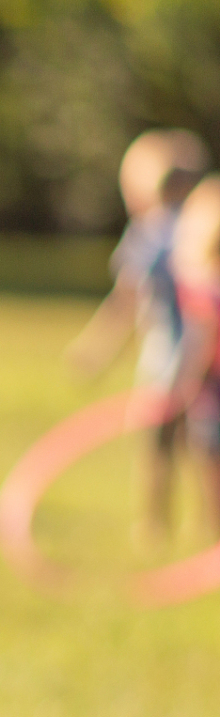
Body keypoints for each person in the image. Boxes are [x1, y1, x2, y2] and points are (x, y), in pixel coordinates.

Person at [66, 128, 210, 541]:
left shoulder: (149, 235)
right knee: (204, 445)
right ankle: (206, 524)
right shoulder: (204, 225)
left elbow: (126, 303)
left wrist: (95, 354)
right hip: (207, 357)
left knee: (159, 445)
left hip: (167, 358)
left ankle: (154, 524)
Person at [170, 175, 220, 537]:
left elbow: (199, 345)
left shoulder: (203, 291)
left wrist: (184, 385)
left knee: (209, 455)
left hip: (212, 386)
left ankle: (213, 526)